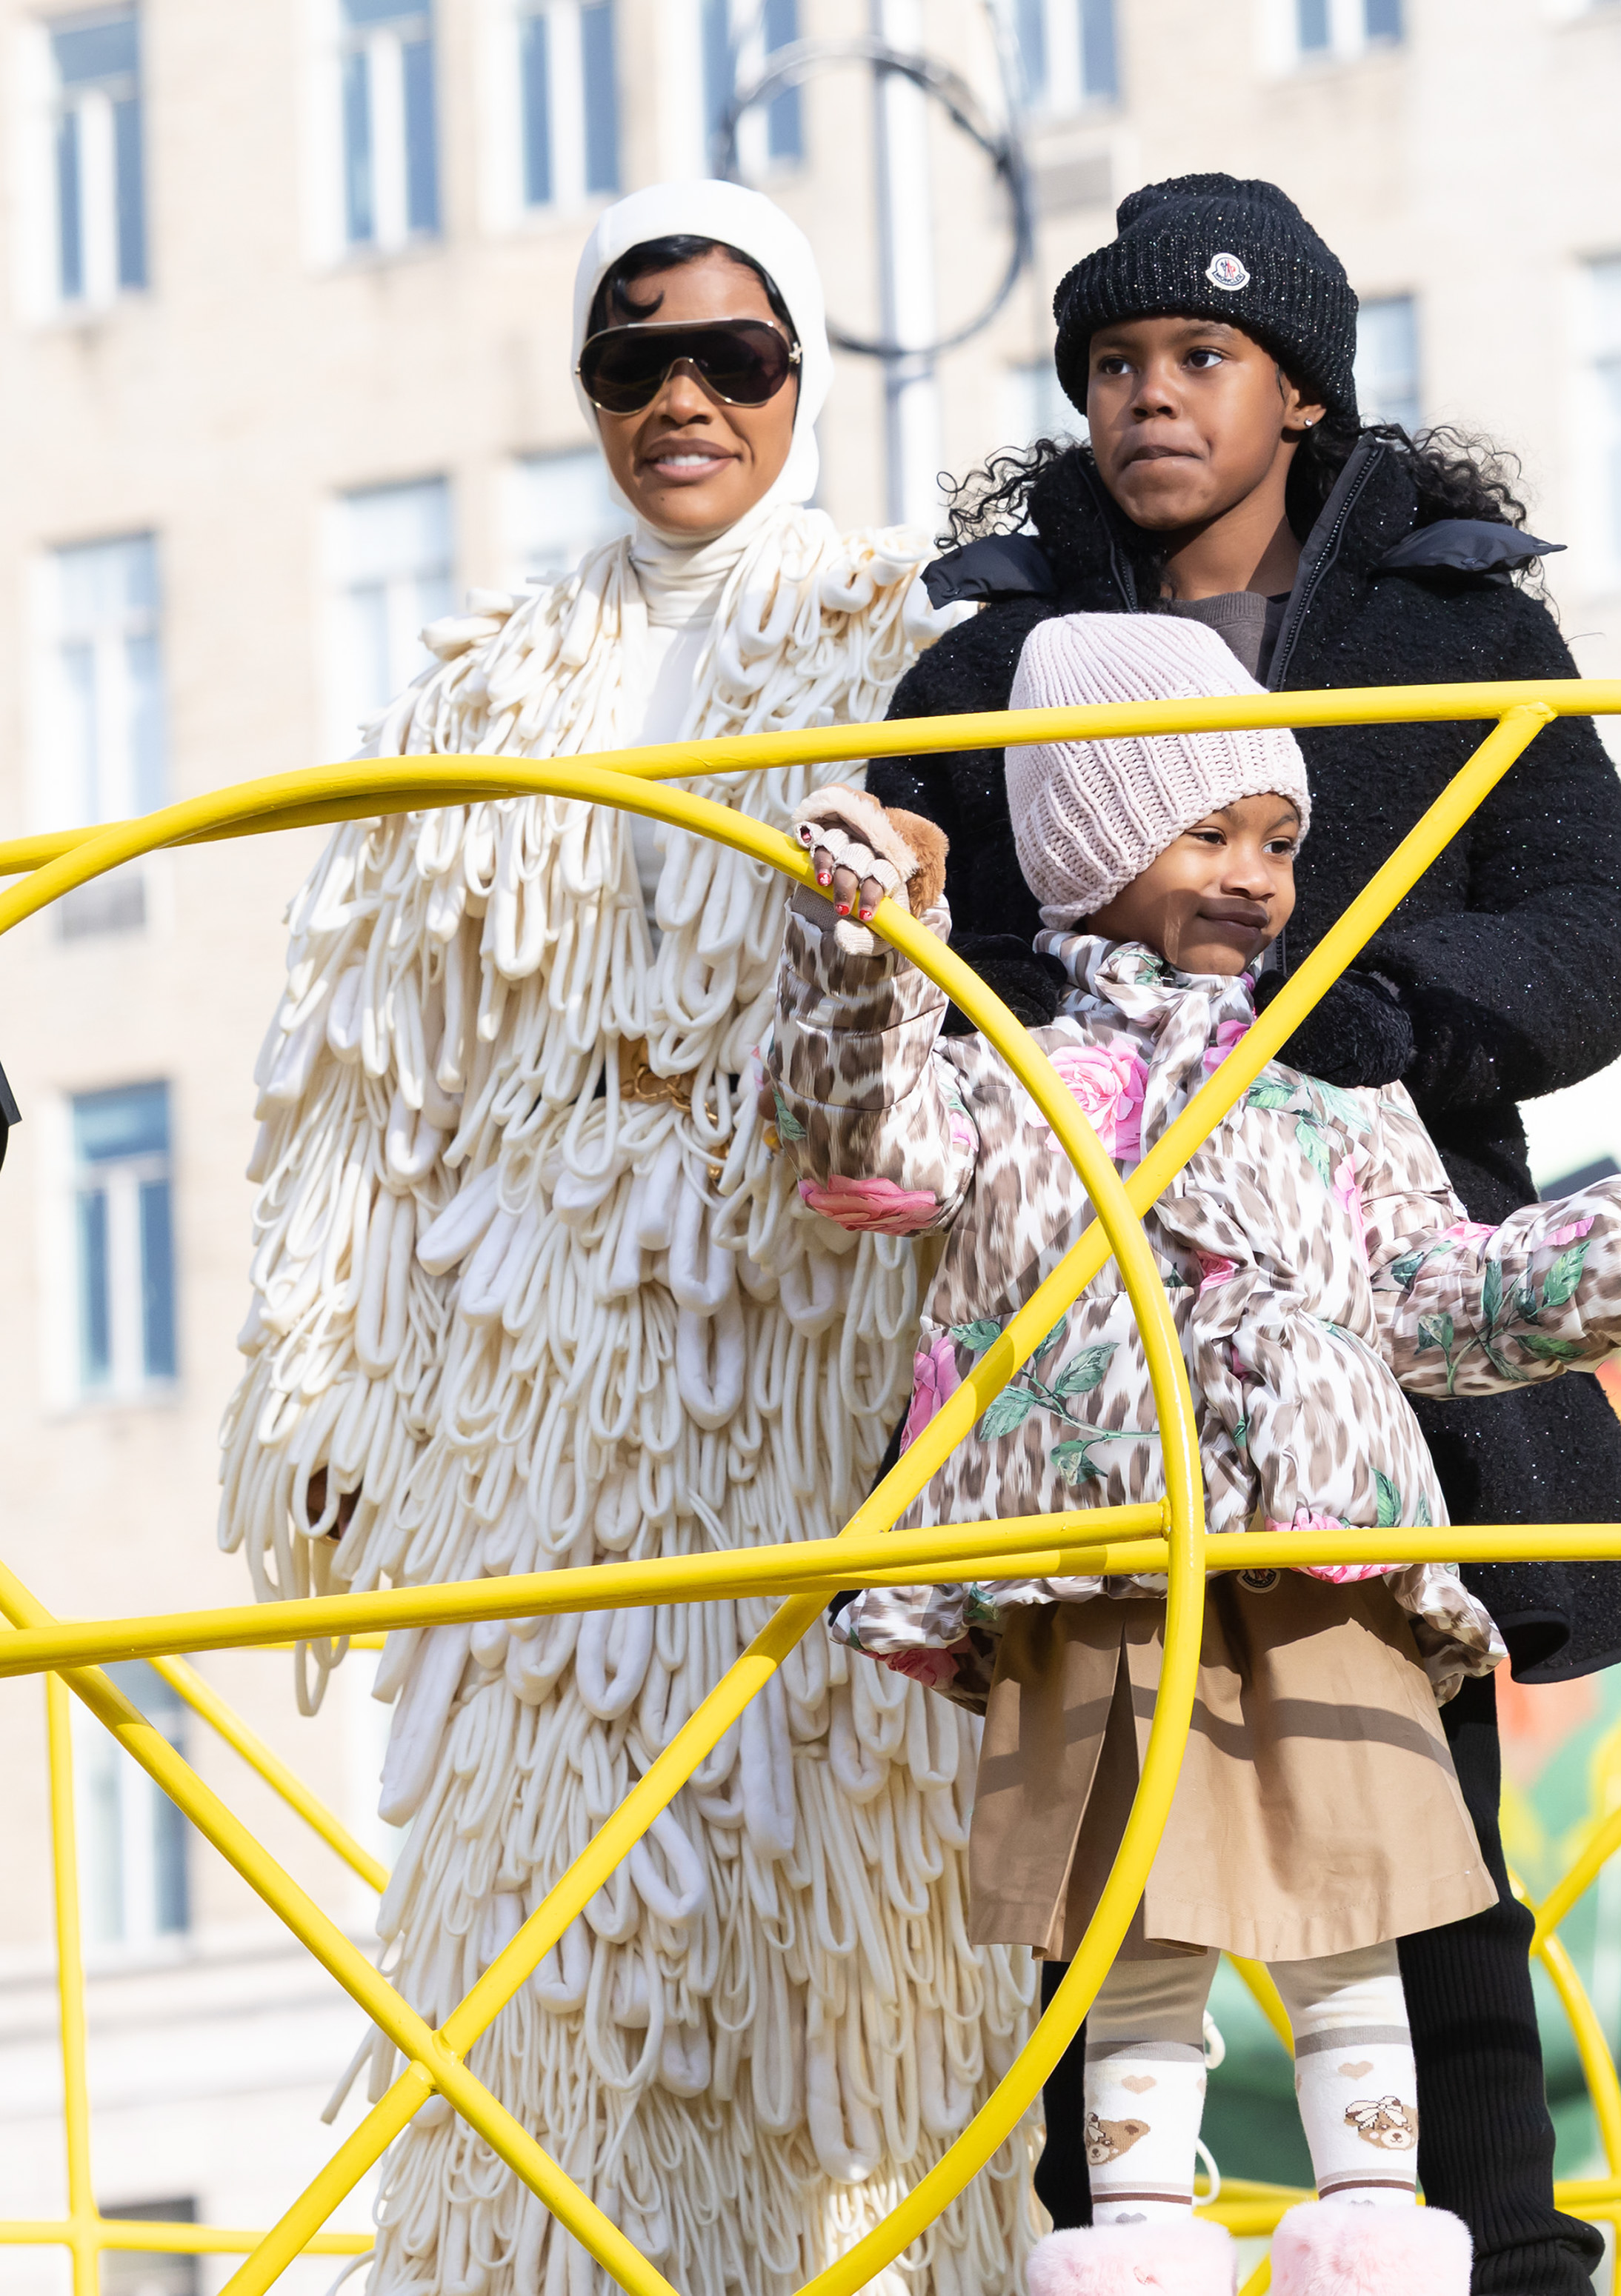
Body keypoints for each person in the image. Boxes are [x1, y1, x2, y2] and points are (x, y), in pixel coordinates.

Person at [869, 175, 1621, 2293]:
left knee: (1419, 1825)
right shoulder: (981, 663)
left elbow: (1602, 934)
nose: (1153, 398)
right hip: (1091, 1336)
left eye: (1201, 360)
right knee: (1097, 1842)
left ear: (1300, 391)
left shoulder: (1460, 627)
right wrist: (1075, 1028)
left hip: (1375, 1284)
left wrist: (1389, 1009)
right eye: (1115, 364)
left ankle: (1499, 2254)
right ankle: (1115, 2242)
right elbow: (927, 975)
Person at [219, 182, 1036, 2296]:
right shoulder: (487, 678)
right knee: (544, 1867)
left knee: (841, 1858)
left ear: (808, 376)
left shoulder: (911, 629)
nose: (682, 395)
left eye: (734, 356)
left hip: (813, 1305)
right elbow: (358, 1066)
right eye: (631, 357)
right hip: (538, 1337)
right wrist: (319, 1371)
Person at [772, 612, 1621, 2296]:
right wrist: (867, 947)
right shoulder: (1008, 1070)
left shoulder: (1329, 1073)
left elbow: (1427, 1290)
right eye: (1204, 831)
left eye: (1281, 840)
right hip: (1101, 1551)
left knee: (1352, 1896)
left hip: (1321, 1537)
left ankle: (1372, 2217)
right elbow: (862, 1154)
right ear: (1090, 844)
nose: (1254, 876)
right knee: (1129, 1918)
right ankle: (1140, 2232)